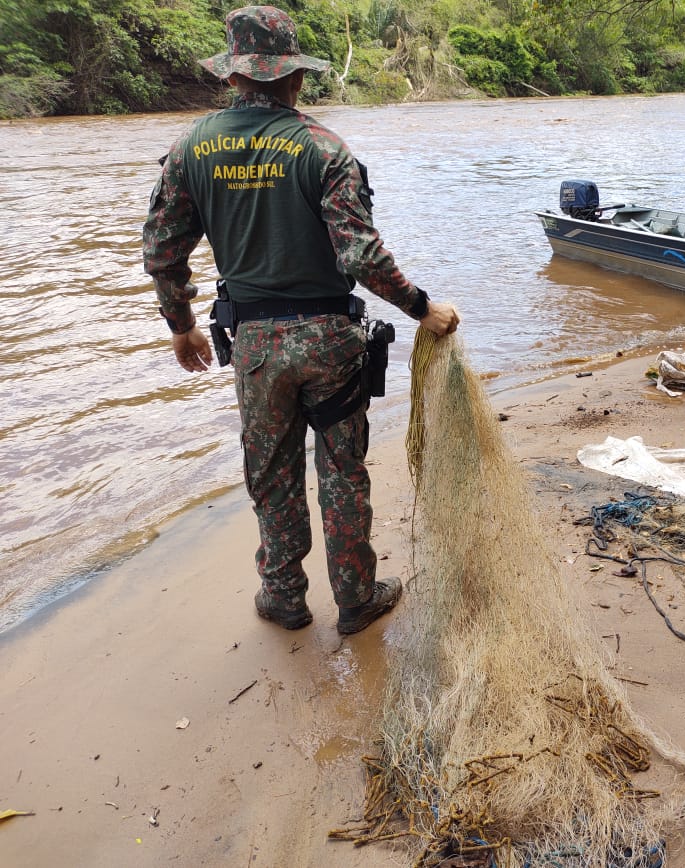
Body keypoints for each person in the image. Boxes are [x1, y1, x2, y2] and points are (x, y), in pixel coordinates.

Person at [142, 5, 458, 635]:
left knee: (270, 472)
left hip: (255, 346)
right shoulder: (324, 148)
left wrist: (181, 324)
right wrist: (423, 308)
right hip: (332, 343)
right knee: (342, 470)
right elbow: (361, 255)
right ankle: (356, 599)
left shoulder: (191, 149)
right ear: (294, 78)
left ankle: (284, 596)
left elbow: (162, 250)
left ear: (234, 76)